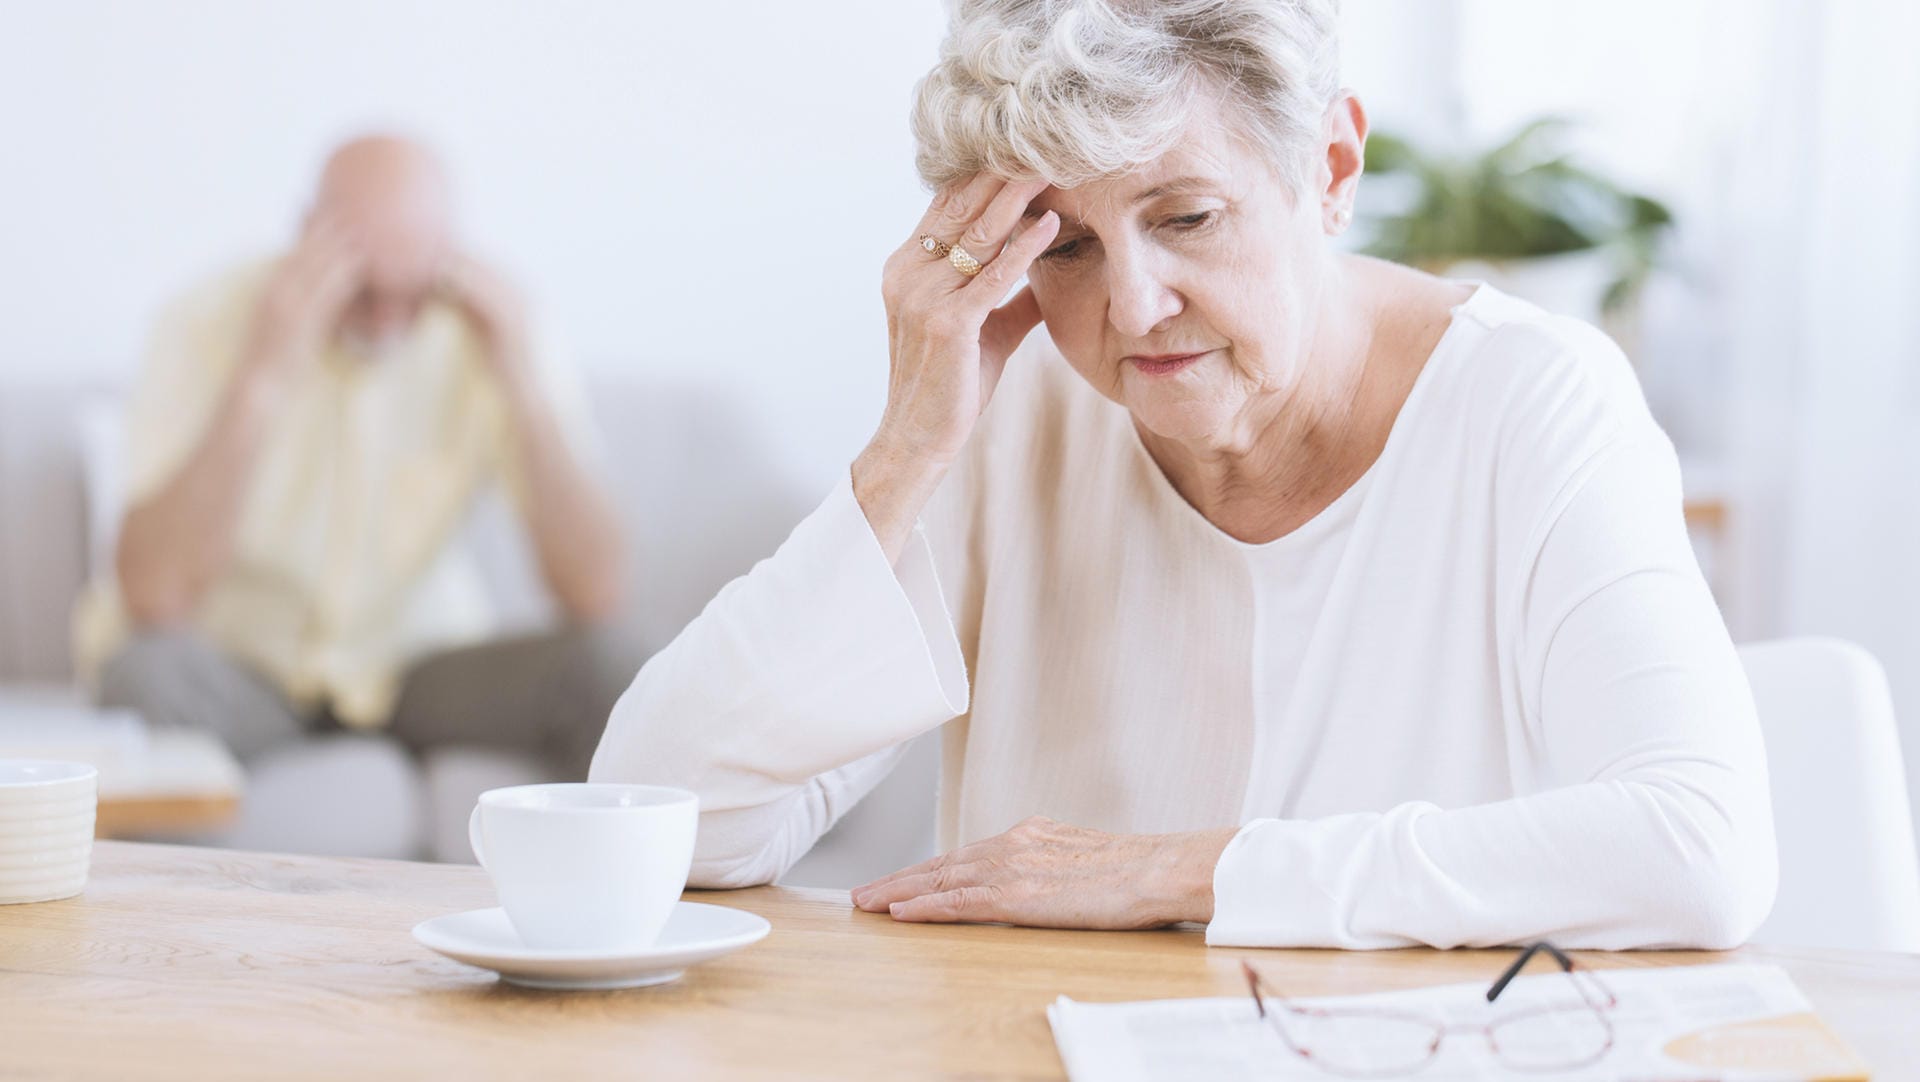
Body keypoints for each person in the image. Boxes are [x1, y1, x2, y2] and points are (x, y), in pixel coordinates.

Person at [590, 0, 1777, 949]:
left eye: (1190, 217)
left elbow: (1700, 847)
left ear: (1329, 166)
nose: (1134, 306)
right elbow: (667, 824)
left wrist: (1180, 870)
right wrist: (906, 447)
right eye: (1066, 246)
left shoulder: (1534, 400)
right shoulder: (1016, 413)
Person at [78, 135, 635, 783]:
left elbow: (598, 593)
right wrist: (261, 377)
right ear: (308, 233)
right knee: (142, 674)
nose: (387, 323)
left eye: (412, 294)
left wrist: (522, 383)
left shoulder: (493, 330)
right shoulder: (204, 321)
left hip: (414, 674)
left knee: (614, 664)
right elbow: (153, 594)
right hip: (246, 672)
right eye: (363, 291)